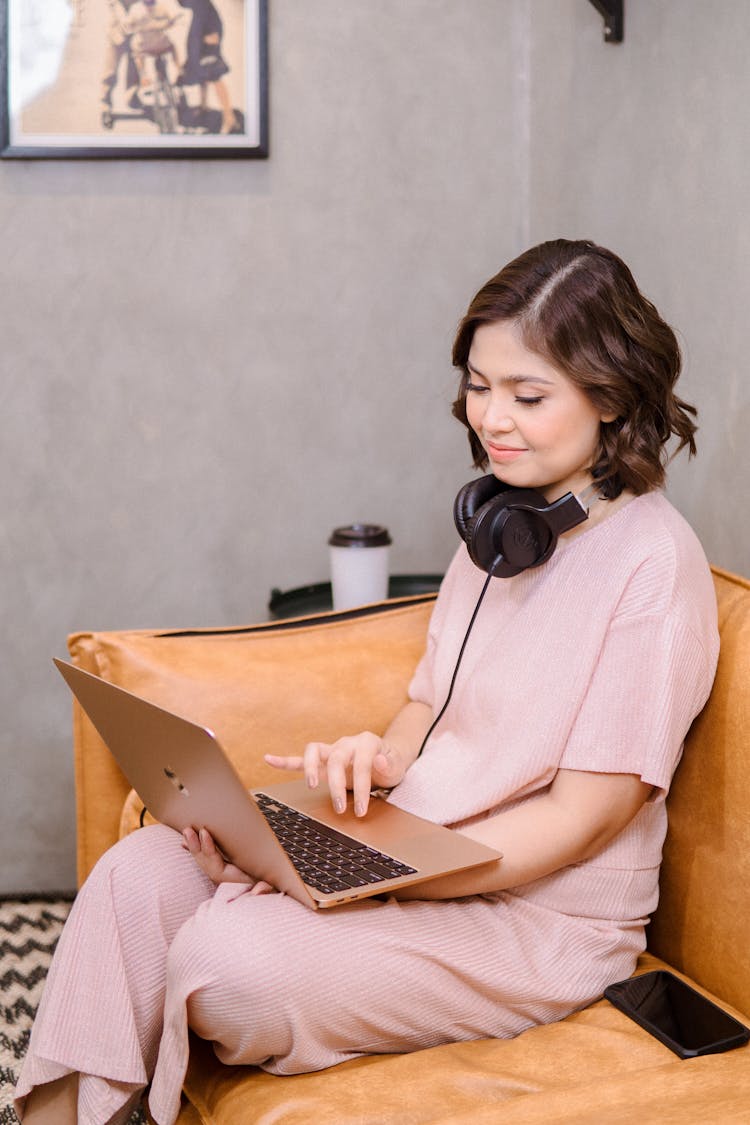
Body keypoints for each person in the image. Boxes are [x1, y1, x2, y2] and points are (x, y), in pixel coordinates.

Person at [16, 239, 719, 1125]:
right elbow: (430, 706)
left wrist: (373, 878)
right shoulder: (504, 530)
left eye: (527, 396)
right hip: (417, 852)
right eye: (478, 385)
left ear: (611, 398)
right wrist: (376, 759)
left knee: (227, 961)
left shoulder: (654, 568)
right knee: (139, 875)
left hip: (537, 925)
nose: (491, 419)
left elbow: (582, 818)